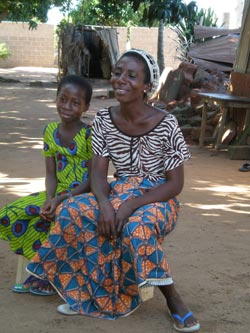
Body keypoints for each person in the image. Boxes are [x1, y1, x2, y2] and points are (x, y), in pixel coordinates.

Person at [27, 49, 200, 332]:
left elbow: (175, 184)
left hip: (157, 197)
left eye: (132, 75)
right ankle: (85, 292)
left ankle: (174, 300)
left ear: (147, 86)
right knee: (72, 211)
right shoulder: (105, 120)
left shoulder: (166, 123)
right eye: (118, 72)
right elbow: (97, 174)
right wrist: (105, 204)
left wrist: (129, 206)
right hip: (116, 191)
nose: (120, 79)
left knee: (136, 227)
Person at [0, 75, 93, 295]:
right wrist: (50, 199)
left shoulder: (89, 134)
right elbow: (51, 174)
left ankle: (49, 276)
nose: (67, 106)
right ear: (56, 99)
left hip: (81, 194)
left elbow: (92, 179)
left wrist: (60, 200)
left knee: (59, 218)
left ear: (86, 106)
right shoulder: (50, 131)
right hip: (56, 192)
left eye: (75, 102)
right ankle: (34, 269)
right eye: (63, 99)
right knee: (14, 212)